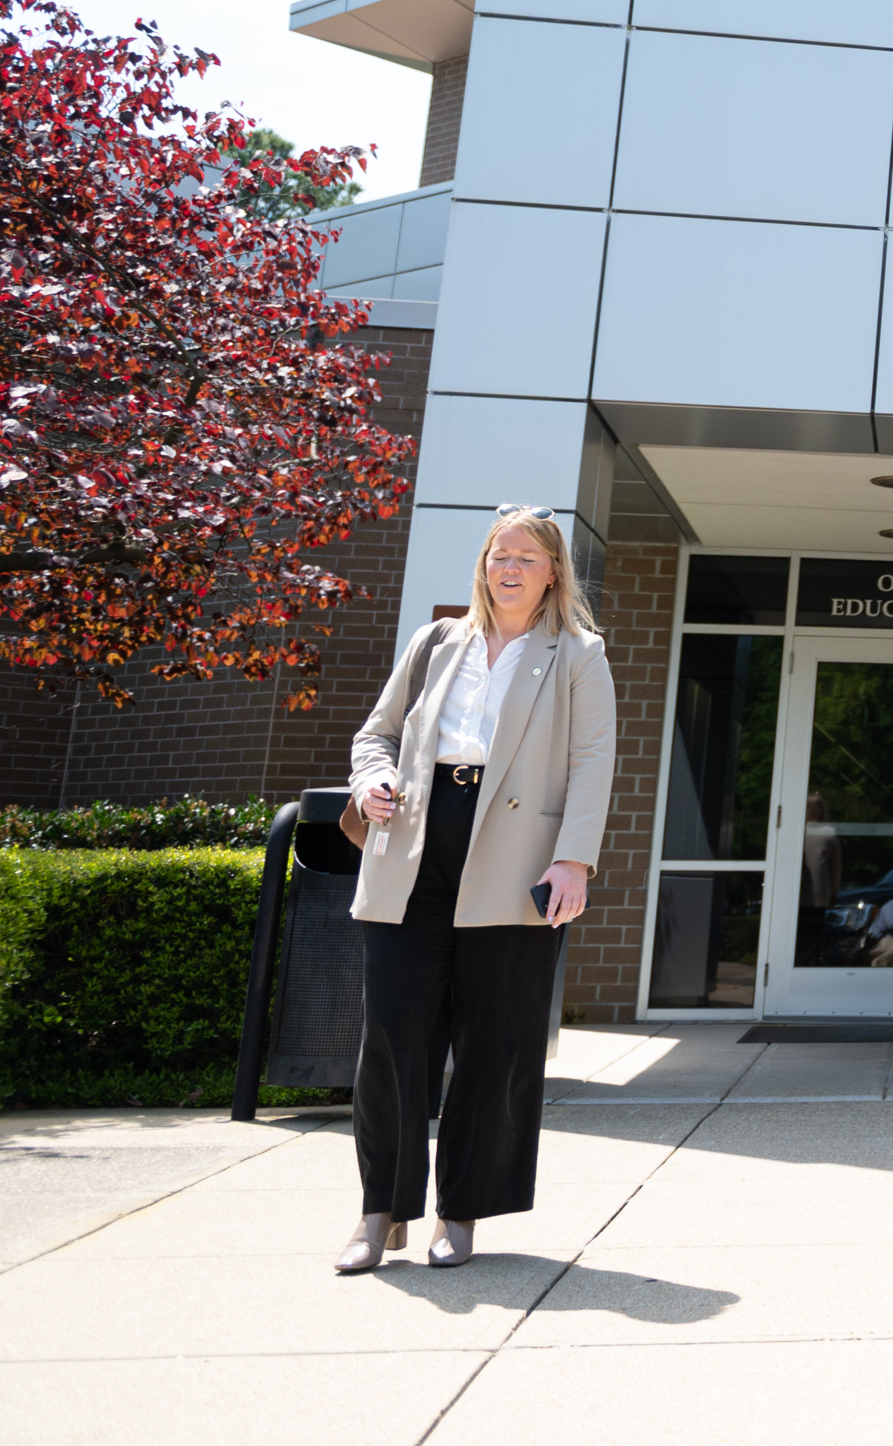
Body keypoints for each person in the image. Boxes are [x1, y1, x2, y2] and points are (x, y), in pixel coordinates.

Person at [338, 506, 615, 1273]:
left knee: (493, 1044)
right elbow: (376, 734)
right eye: (501, 554)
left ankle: (460, 1214)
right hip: (415, 846)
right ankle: (379, 1213)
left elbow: (593, 762)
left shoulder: (577, 655)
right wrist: (373, 782)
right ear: (484, 565)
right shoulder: (436, 643)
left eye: (528, 557)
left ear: (552, 572)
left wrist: (573, 861)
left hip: (518, 857)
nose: (511, 568)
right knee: (392, 1035)